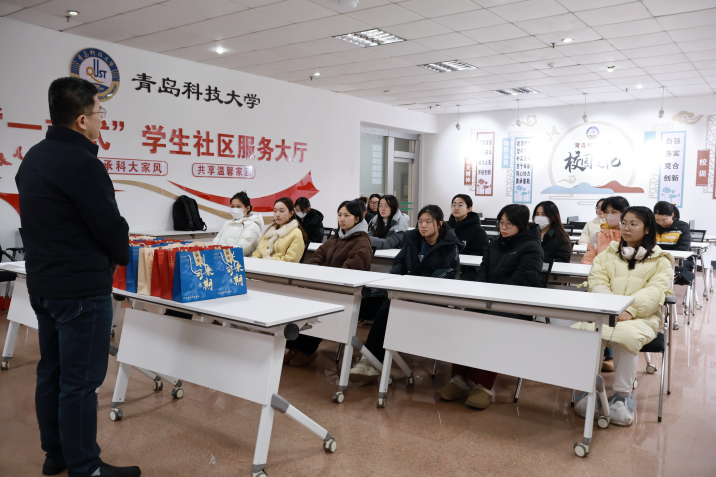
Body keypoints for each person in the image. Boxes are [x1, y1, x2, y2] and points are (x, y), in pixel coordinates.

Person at [16, 77, 139, 477]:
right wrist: (121, 248)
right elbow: (109, 228)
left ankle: (57, 455)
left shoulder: (33, 158)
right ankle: (86, 467)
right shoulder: (83, 164)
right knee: (80, 383)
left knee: (51, 373)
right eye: (100, 112)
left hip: (44, 285)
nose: (103, 119)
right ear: (83, 119)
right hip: (82, 291)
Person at [572, 206, 673, 426]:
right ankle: (587, 388)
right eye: (624, 223)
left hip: (641, 315)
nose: (626, 228)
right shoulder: (606, 254)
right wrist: (613, 308)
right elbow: (597, 282)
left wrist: (630, 309)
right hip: (606, 312)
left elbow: (656, 290)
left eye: (633, 224)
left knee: (625, 336)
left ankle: (622, 395)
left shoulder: (661, 260)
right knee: (588, 332)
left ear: (647, 229)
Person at [437, 204, 543, 409]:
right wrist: (482, 296)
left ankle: (484, 386)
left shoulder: (532, 247)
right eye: (501, 223)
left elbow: (522, 282)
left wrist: (494, 299)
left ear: (521, 224)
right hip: (488, 302)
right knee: (465, 320)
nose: (503, 228)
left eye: (509, 224)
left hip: (514, 306)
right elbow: (482, 273)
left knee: (489, 326)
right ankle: (458, 379)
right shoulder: (494, 244)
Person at [349, 205, 460, 383]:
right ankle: (368, 358)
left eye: (428, 222)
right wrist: (395, 283)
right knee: (364, 302)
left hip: (430, 299)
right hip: (403, 294)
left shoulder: (449, 247)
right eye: (420, 221)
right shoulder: (413, 241)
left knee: (388, 308)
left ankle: (371, 361)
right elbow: (399, 263)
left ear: (439, 224)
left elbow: (443, 276)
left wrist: (411, 291)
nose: (423, 225)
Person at [284, 200, 373, 366]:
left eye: (347, 215)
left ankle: (307, 350)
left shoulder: (362, 241)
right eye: (339, 215)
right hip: (325, 286)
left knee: (317, 306)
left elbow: (349, 272)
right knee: (299, 300)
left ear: (357, 218)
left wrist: (323, 280)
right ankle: (294, 347)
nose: (342, 219)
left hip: (343, 293)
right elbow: (318, 257)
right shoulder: (336, 237)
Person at [252, 197, 307, 262]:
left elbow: (290, 259)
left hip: (279, 268)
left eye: (281, 211)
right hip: (260, 266)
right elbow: (257, 252)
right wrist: (256, 262)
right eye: (275, 211)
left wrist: (267, 262)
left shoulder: (296, 233)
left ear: (291, 213)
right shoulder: (269, 232)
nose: (277, 214)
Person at [447, 194, 488, 281]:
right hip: (446, 266)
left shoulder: (478, 231)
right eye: (454, 205)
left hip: (467, 269)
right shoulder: (446, 227)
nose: (456, 208)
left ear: (469, 209)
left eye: (460, 205)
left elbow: (481, 254)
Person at [581, 196, 630, 265]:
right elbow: (588, 260)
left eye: (613, 212)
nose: (609, 215)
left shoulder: (631, 236)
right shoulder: (597, 237)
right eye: (606, 212)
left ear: (624, 213)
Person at [653, 201, 693, 284]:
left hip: (677, 261)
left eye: (664, 220)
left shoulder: (682, 228)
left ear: (672, 215)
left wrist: (665, 258)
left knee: (665, 273)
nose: (660, 223)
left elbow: (683, 248)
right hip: (656, 259)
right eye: (657, 220)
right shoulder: (653, 228)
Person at [213, 191, 263, 256]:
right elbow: (215, 243)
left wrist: (220, 256)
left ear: (248, 208)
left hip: (237, 261)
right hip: (221, 259)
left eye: (238, 206)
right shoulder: (228, 223)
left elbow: (241, 249)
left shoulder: (252, 226)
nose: (235, 209)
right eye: (232, 206)